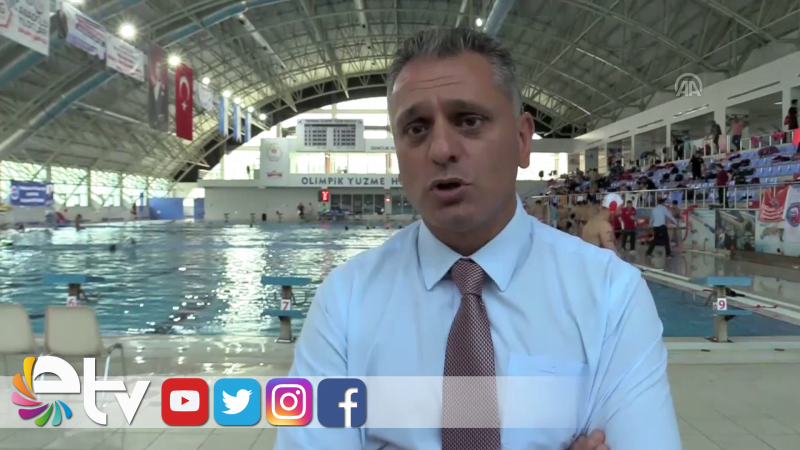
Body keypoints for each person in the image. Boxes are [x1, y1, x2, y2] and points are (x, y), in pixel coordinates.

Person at [276, 27, 680, 450]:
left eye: (469, 121)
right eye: (416, 128)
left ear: (522, 140)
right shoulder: (344, 303)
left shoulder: (611, 296)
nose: (441, 149)